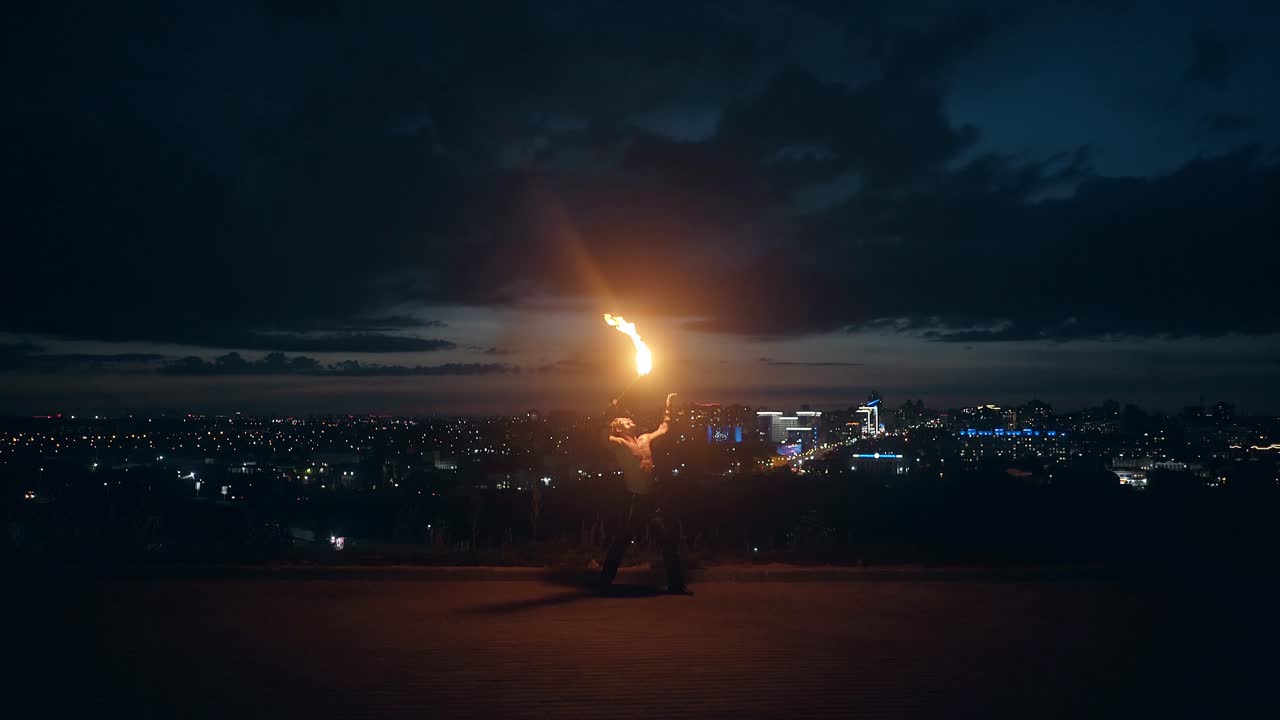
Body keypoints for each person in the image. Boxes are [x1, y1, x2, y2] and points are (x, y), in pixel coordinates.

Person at [599, 392, 691, 595]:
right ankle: (604, 584)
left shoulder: (644, 439)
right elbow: (603, 436)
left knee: (667, 539)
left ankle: (676, 585)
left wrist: (667, 405)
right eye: (624, 420)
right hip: (635, 501)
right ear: (618, 428)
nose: (629, 419)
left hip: (651, 500)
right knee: (621, 541)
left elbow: (664, 428)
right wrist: (609, 411)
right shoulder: (620, 444)